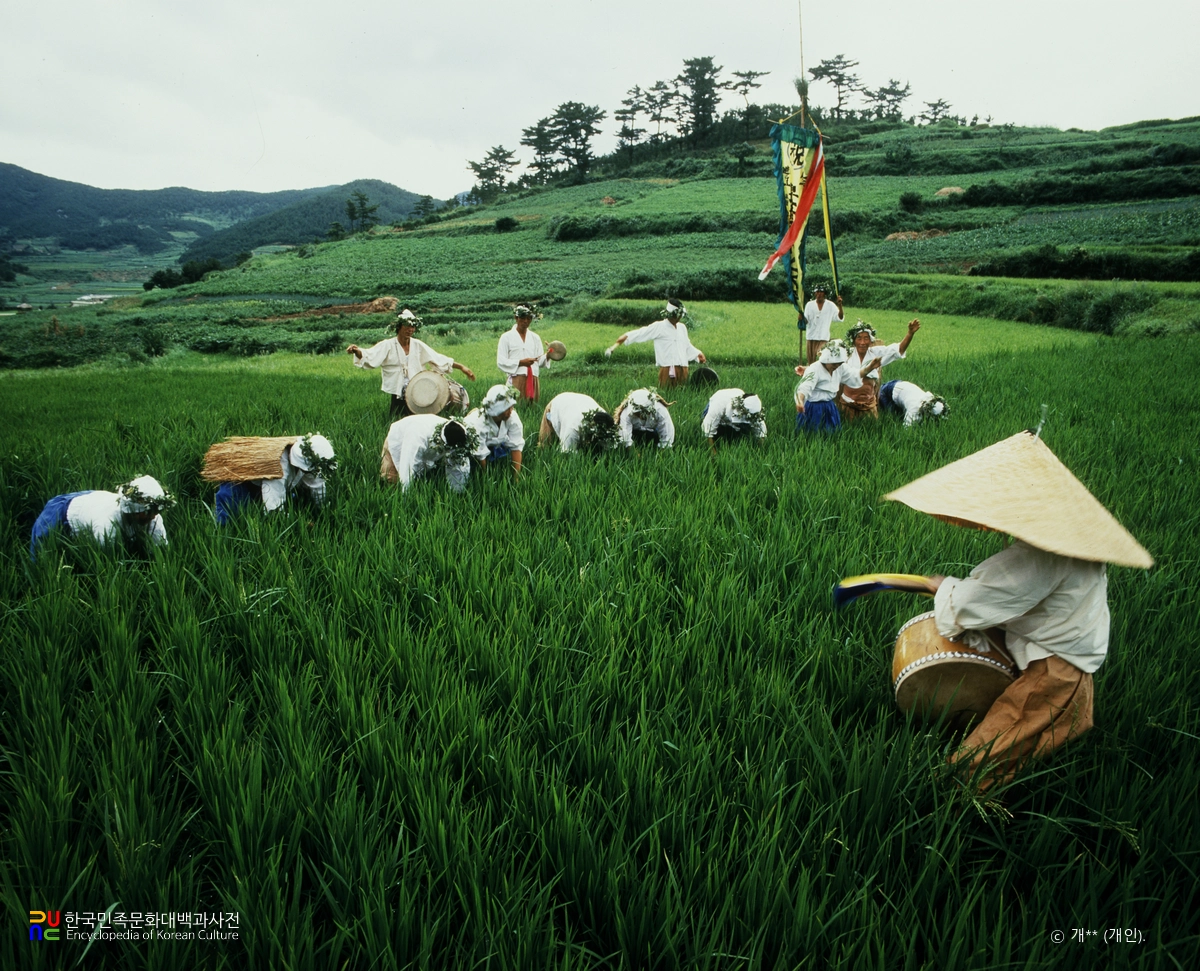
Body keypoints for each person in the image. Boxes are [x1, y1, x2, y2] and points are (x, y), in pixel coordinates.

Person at [883, 430, 1154, 790]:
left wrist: (945, 587)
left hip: (1055, 669)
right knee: (1034, 734)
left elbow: (973, 602)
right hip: (1061, 654)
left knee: (1000, 746)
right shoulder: (1074, 540)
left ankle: (951, 797)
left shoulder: (1041, 557)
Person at [346, 308, 476, 417]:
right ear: (399, 327)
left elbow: (437, 358)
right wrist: (357, 351)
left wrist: (462, 367)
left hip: (418, 391)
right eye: (407, 326)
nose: (410, 329)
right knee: (397, 421)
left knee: (420, 421)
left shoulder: (418, 345)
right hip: (398, 393)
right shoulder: (388, 345)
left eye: (413, 327)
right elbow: (370, 355)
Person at [31, 474, 173, 560]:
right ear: (134, 510)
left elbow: (160, 552)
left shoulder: (154, 518)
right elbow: (107, 563)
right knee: (41, 557)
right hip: (63, 511)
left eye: (156, 511)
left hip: (94, 500)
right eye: (148, 512)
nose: (153, 516)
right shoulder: (107, 524)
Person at [214, 434, 336, 525]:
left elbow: (316, 486)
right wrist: (299, 524)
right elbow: (274, 509)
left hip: (265, 482)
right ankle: (222, 529)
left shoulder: (308, 461)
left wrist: (323, 510)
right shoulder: (279, 467)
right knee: (232, 513)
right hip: (240, 480)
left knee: (293, 498)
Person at [604, 298, 706, 389]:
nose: (679, 318)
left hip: (683, 368)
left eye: (680, 315)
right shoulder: (659, 327)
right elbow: (641, 333)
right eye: (677, 315)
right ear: (670, 314)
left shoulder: (682, 328)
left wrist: (697, 354)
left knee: (682, 394)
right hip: (668, 369)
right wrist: (626, 337)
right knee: (668, 395)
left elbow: (686, 345)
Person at [838, 319, 920, 421]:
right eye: (859, 338)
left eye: (866, 338)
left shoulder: (875, 353)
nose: (862, 342)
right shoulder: (846, 354)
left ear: (870, 341)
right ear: (853, 341)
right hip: (848, 404)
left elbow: (898, 350)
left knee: (870, 428)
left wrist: (910, 333)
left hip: (868, 406)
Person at [380, 414, 475, 492]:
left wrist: (458, 491)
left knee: (421, 475)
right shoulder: (417, 436)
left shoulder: (457, 432)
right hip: (398, 439)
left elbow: (458, 465)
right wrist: (406, 495)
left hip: (424, 445)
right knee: (391, 477)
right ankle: (392, 499)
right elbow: (407, 465)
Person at [794, 340, 854, 434]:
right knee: (812, 432)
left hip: (829, 406)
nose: (837, 366)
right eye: (834, 364)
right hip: (814, 407)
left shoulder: (838, 369)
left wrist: (869, 368)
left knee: (830, 433)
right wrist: (800, 401)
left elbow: (855, 374)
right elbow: (805, 387)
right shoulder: (814, 369)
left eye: (839, 363)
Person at [466, 385, 525, 477]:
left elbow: (516, 446)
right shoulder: (479, 423)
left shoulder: (512, 417)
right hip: (472, 445)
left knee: (503, 453)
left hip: (494, 444)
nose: (510, 411)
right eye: (506, 409)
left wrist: (516, 477)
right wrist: (485, 477)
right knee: (471, 464)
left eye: (511, 407)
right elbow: (480, 452)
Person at [538, 392, 620, 454]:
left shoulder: (608, 427)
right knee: (546, 444)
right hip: (559, 403)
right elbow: (567, 454)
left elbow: (611, 448)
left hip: (584, 401)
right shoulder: (572, 428)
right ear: (590, 425)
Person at [497, 304, 547, 401]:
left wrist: (549, 355)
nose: (525, 321)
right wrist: (520, 362)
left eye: (529, 318)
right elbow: (501, 361)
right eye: (523, 318)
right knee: (515, 405)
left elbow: (539, 361)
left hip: (533, 379)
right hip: (516, 378)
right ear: (516, 318)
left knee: (533, 406)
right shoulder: (506, 337)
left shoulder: (535, 338)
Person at [701, 388, 766, 448]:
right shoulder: (718, 406)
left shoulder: (753, 409)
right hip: (718, 400)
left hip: (736, 395)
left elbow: (761, 432)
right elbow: (707, 431)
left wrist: (760, 449)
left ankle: (733, 432)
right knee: (713, 427)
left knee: (738, 434)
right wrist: (713, 453)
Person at [800, 284, 844, 365]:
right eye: (817, 292)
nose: (819, 294)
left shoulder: (830, 305)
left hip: (823, 337)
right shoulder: (809, 305)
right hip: (811, 337)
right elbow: (806, 321)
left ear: (825, 294)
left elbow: (840, 317)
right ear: (815, 293)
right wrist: (801, 317)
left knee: (822, 360)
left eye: (821, 292)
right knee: (811, 362)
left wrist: (840, 305)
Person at [879, 380, 948, 427]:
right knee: (894, 418)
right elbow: (906, 428)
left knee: (900, 414)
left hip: (901, 383)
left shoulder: (930, 398)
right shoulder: (914, 408)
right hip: (888, 392)